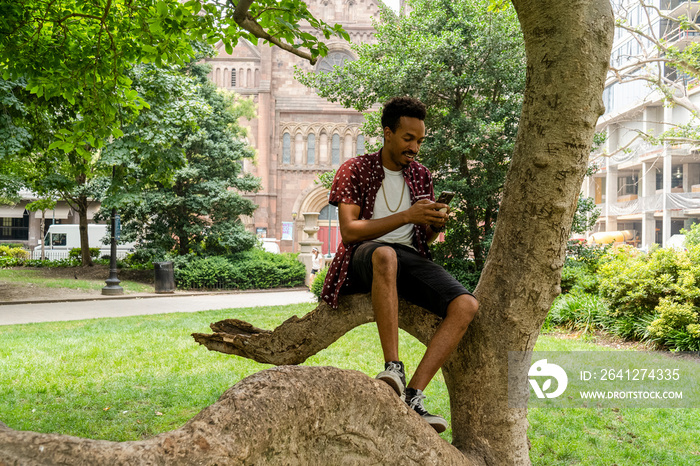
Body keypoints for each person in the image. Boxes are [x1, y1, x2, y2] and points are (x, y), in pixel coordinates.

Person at [320, 96, 479, 433]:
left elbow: (426, 238)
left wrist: (433, 225)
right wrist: (407, 215)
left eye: (420, 140)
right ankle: (393, 366)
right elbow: (349, 232)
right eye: (408, 139)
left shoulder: (421, 175)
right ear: (387, 133)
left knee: (466, 305)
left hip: (409, 258)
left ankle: (413, 394)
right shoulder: (355, 169)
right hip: (364, 256)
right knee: (385, 254)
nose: (415, 148)